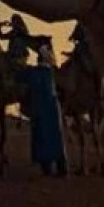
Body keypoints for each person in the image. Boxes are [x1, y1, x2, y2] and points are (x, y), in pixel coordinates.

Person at [22, 36, 69, 176]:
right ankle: (55, 167)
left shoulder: (36, 73)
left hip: (42, 109)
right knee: (54, 138)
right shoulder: (49, 73)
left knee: (45, 137)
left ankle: (50, 167)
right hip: (49, 108)